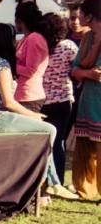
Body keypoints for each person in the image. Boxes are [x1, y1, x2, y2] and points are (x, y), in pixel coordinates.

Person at [0, 23, 78, 200]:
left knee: (43, 132)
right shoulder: (2, 65)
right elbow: (8, 102)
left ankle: (51, 182)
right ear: (8, 41)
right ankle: (50, 182)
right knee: (49, 130)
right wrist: (33, 115)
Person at [70, 0, 101, 199]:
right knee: (85, 147)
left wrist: (85, 72)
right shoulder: (89, 38)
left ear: (89, 16)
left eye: (81, 14)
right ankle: (85, 188)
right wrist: (88, 74)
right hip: (88, 97)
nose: (79, 18)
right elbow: (75, 68)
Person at [40, 13, 78, 179]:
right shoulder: (69, 46)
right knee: (59, 141)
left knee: (45, 141)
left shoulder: (40, 46)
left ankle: (46, 179)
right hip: (63, 99)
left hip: (41, 100)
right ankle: (59, 180)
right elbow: (77, 68)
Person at [13, 2, 54, 114]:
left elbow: (30, 70)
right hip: (21, 93)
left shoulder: (34, 38)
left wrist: (11, 65)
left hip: (29, 96)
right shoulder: (26, 37)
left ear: (20, 21)